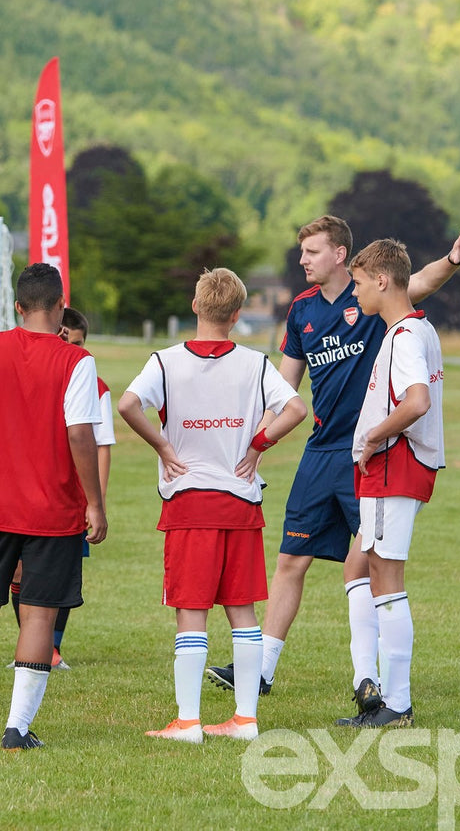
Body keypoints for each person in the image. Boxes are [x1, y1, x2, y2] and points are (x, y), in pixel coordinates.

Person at [206, 216, 460, 715]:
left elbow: (413, 284)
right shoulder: (302, 311)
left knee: (370, 569)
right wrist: (251, 440)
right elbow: (283, 391)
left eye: (311, 251)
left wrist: (454, 259)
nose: (302, 260)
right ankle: (262, 670)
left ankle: (372, 683)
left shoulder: (378, 308)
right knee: (293, 559)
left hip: (372, 457)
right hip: (321, 452)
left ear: (339, 254)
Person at [118, 268, 306, 743]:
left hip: (189, 504)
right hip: (241, 503)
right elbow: (298, 409)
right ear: (238, 314)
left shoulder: (164, 362)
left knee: (191, 613)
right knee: (242, 612)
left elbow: (127, 405)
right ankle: (244, 719)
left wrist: (163, 447)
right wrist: (259, 443)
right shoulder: (256, 363)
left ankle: (188, 722)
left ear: (196, 306)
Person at [0, 263, 107, 750]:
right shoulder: (78, 360)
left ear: (17, 306)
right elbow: (79, 432)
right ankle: (17, 730)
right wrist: (94, 502)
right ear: (60, 306)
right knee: (38, 616)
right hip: (52, 510)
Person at [334, 238, 445, 727]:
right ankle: (368, 683)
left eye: (357, 283)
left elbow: (417, 400)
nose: (354, 293)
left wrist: (375, 436)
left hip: (393, 468)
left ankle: (397, 703)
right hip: (399, 469)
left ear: (381, 280)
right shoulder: (416, 327)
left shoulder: (403, 336)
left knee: (385, 578)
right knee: (357, 567)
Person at [8, 306, 114, 671]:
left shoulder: (96, 386)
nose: (73, 347)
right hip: (23, 492)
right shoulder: (31, 374)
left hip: (70, 499)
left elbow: (100, 446)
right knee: (19, 572)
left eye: (80, 342)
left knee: (59, 576)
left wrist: (95, 501)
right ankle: (31, 643)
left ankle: (51, 648)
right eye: (66, 339)